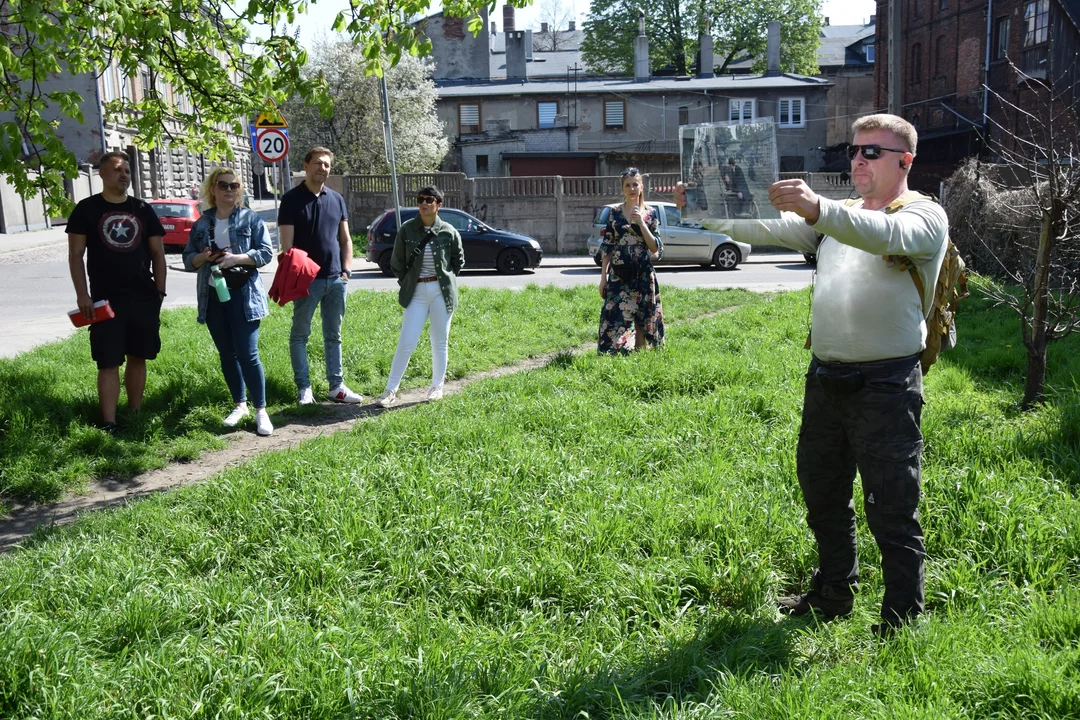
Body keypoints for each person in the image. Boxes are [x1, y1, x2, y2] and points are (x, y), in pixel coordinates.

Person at [675, 114, 948, 636]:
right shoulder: (839, 215)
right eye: (854, 149)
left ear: (905, 161)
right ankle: (832, 591)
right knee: (822, 492)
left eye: (873, 152)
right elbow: (765, 227)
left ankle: (902, 619)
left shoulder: (923, 215)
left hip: (887, 385)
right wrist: (704, 214)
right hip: (825, 379)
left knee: (892, 502)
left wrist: (817, 207)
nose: (858, 160)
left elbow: (884, 233)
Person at [67, 151, 167, 433]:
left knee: (139, 356)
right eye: (117, 170)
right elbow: (76, 255)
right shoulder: (86, 209)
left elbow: (158, 253)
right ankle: (109, 423)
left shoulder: (142, 209)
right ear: (101, 173)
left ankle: (134, 414)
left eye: (126, 170)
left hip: (143, 297)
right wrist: (82, 295)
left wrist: (159, 291)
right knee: (108, 361)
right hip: (103, 300)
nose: (124, 175)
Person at [183, 168, 274, 436]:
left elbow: (266, 253)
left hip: (244, 294)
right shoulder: (201, 223)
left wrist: (237, 258)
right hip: (213, 295)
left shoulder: (250, 218)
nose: (229, 190)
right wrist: (204, 256)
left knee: (248, 354)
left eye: (234, 186)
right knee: (227, 354)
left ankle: (261, 410)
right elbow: (189, 259)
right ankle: (240, 405)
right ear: (212, 190)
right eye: (223, 186)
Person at [278, 146, 362, 405]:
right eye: (317, 163)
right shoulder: (291, 199)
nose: (322, 168)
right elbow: (287, 247)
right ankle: (304, 388)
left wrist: (346, 271)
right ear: (306, 165)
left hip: (336, 279)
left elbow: (345, 239)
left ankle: (336, 386)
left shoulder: (336, 199)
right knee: (300, 334)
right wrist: (298, 276)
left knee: (333, 334)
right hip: (307, 281)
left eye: (326, 164)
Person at [376, 186, 464, 407]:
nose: (424, 203)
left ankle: (437, 386)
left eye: (429, 200)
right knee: (406, 342)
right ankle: (390, 390)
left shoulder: (448, 231)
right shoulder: (407, 230)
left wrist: (442, 278)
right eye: (420, 199)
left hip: (441, 292)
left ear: (438, 204)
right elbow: (397, 262)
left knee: (439, 341)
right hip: (416, 292)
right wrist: (407, 282)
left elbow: (457, 261)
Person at [597, 168, 664, 354]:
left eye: (635, 184)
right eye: (628, 185)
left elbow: (655, 247)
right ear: (622, 188)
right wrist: (603, 278)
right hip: (619, 275)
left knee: (643, 315)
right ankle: (612, 353)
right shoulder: (614, 213)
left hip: (642, 273)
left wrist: (641, 223)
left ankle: (640, 353)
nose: (632, 188)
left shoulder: (650, 214)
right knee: (612, 316)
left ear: (641, 187)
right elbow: (607, 246)